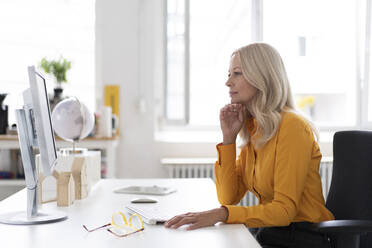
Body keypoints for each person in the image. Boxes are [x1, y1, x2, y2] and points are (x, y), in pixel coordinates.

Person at [164, 43, 334, 248]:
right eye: (229, 74)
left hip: (303, 237)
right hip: (273, 232)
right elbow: (229, 197)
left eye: (237, 74)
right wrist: (229, 139)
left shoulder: (292, 127)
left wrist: (222, 214)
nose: (228, 82)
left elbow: (284, 211)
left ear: (262, 77)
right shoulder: (254, 128)